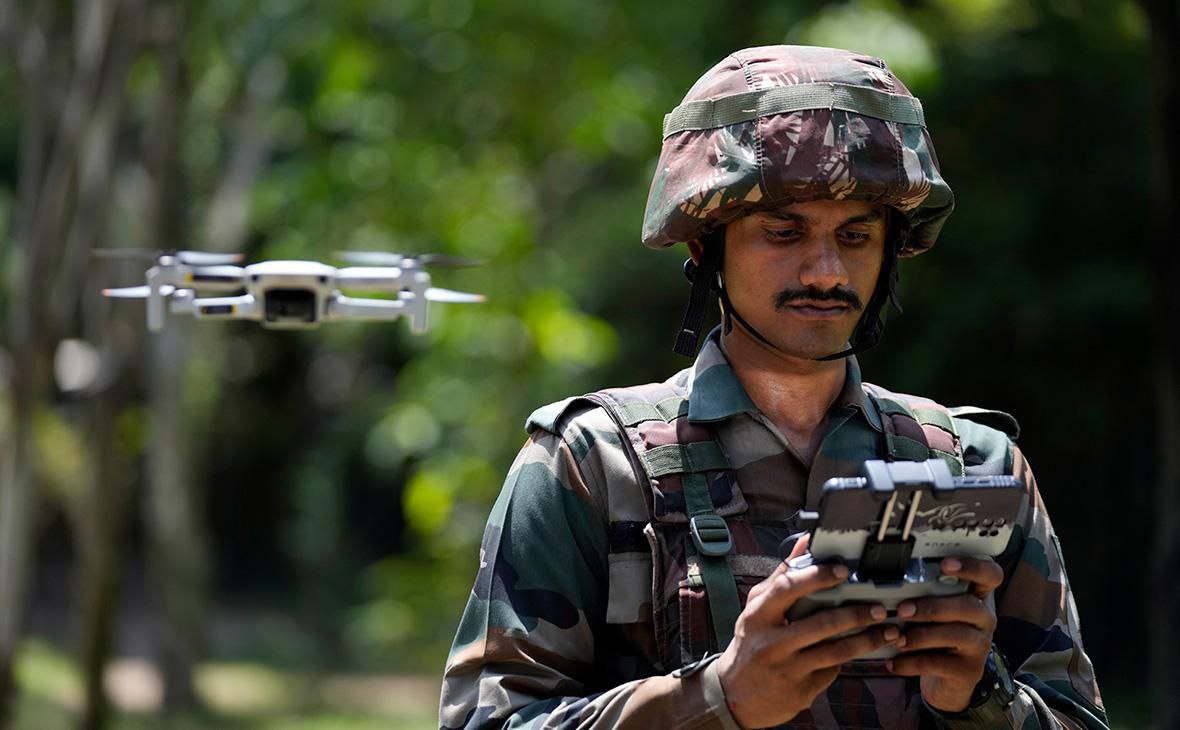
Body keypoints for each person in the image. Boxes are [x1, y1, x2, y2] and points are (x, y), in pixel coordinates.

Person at [440, 45, 1108, 729]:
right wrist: (718, 697)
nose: (825, 272)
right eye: (784, 232)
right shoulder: (594, 466)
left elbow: (1077, 716)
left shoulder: (973, 465)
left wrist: (982, 699)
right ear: (704, 246)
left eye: (856, 235)